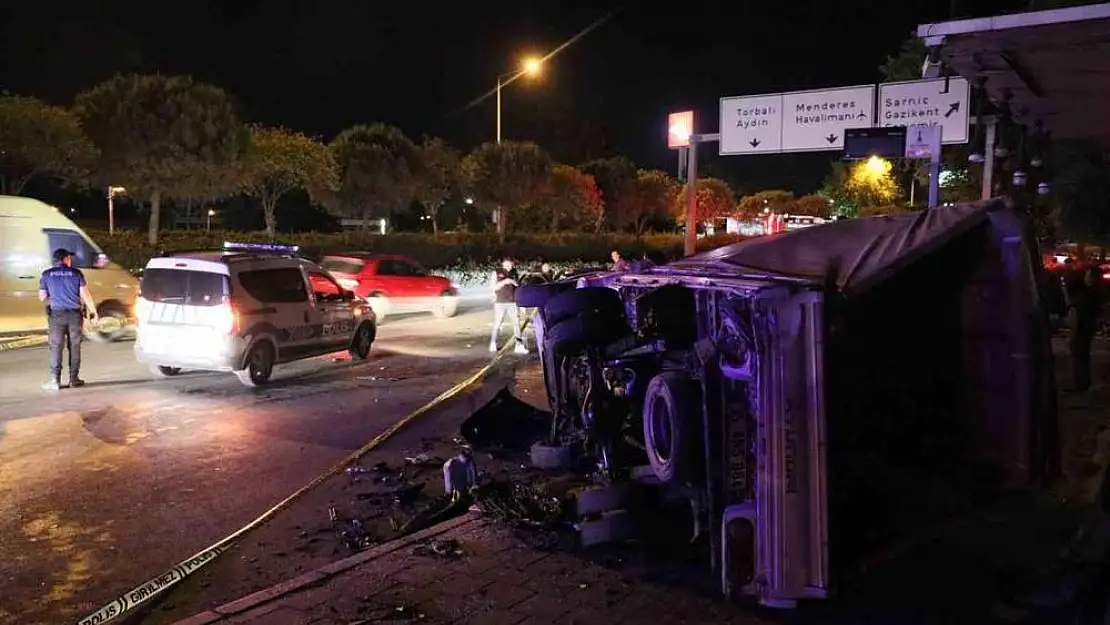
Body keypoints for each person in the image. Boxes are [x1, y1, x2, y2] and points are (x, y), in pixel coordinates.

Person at [39, 248, 99, 390]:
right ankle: (74, 379)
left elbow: (42, 297)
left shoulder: (46, 274)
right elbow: (85, 295)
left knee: (56, 347)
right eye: (69, 258)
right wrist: (93, 311)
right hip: (74, 316)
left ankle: (55, 380)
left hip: (56, 316)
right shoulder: (76, 273)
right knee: (74, 347)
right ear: (66, 259)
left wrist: (54, 296)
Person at [1066, 265, 1104, 391]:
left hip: (1083, 327)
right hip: (1087, 327)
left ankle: (1081, 383)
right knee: (1082, 355)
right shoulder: (1095, 293)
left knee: (1080, 355)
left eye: (1089, 275)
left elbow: (1081, 313)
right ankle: (1082, 382)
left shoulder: (1087, 295)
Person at [490, 258, 527, 354]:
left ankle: (519, 345)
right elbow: (493, 287)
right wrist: (504, 282)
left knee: (516, 323)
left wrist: (512, 281)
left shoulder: (514, 272)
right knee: (498, 323)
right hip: (500, 302)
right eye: (506, 264)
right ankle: (493, 343)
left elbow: (517, 285)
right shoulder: (496, 272)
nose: (509, 266)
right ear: (503, 264)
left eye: (510, 265)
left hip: (512, 302)